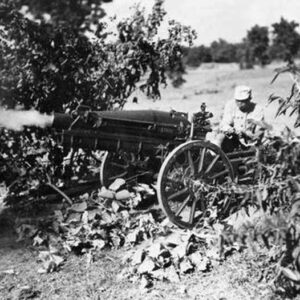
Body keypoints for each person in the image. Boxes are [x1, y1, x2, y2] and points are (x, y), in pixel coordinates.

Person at [213, 85, 266, 151]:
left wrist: (245, 133)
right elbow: (224, 123)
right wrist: (230, 129)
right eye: (237, 101)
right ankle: (212, 156)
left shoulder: (257, 109)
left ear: (249, 99)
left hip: (250, 144)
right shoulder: (230, 105)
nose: (239, 103)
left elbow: (259, 132)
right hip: (233, 141)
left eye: (243, 101)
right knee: (220, 137)